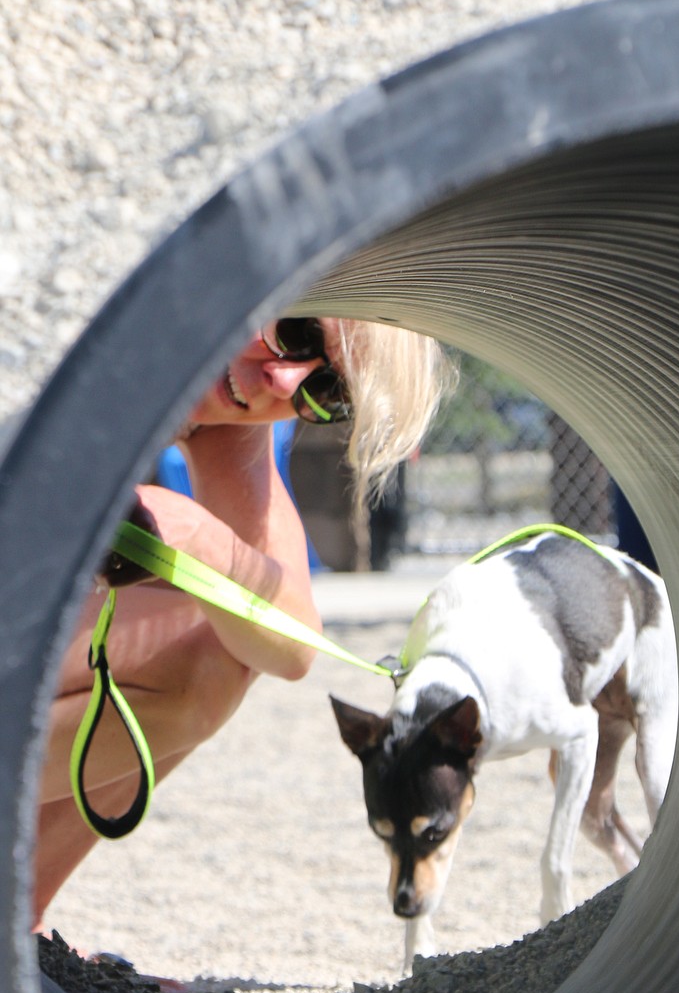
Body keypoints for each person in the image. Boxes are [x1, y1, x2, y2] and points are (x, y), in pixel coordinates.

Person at [33, 315, 445, 932]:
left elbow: (291, 643)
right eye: (300, 332)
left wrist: (201, 539)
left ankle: (18, 913)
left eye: (326, 390)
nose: (283, 379)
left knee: (225, 639)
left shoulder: (226, 416)